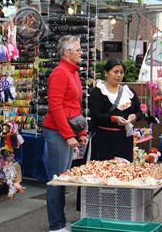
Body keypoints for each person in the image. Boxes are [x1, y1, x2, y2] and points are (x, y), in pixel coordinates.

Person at [42, 35, 88, 232]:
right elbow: (56, 107)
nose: (81, 52)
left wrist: (81, 131)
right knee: (56, 179)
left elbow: (73, 107)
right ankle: (56, 225)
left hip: (64, 130)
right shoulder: (60, 73)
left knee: (61, 177)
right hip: (56, 131)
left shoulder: (73, 72)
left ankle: (59, 222)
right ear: (67, 52)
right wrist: (69, 135)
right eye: (78, 49)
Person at [88, 59, 143, 162]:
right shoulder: (97, 92)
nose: (119, 75)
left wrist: (134, 116)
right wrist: (113, 119)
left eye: (121, 72)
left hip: (124, 139)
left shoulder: (128, 91)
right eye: (115, 72)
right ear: (106, 73)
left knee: (123, 172)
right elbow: (95, 115)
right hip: (103, 140)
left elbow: (139, 112)